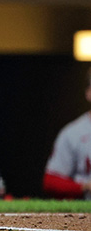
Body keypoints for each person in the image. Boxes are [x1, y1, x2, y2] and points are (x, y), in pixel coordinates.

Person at [43, 67, 91, 199]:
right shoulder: (73, 133)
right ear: (88, 93)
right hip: (86, 210)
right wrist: (85, 186)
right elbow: (51, 181)